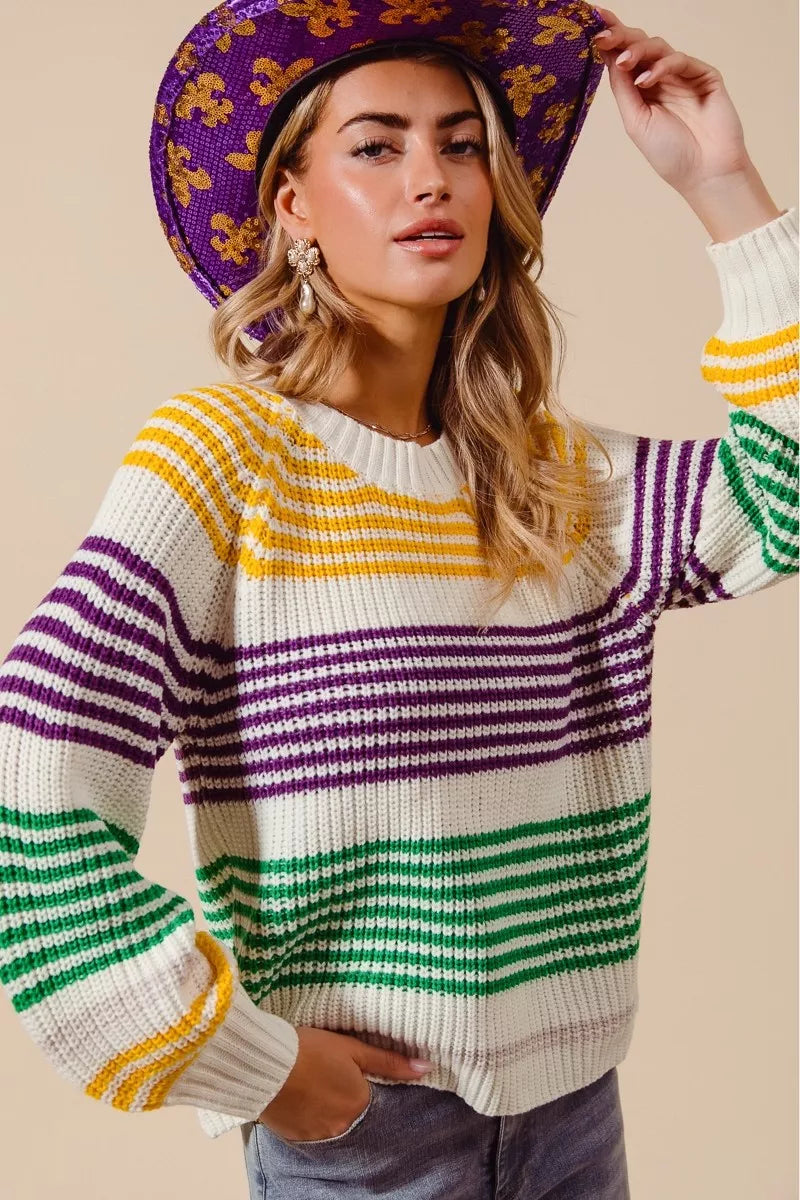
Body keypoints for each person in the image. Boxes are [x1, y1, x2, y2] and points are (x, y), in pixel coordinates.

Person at [0, 2, 796, 1197]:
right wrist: (248, 1064)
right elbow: (35, 769)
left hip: (574, 1123)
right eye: (375, 146)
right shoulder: (222, 460)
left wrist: (721, 186)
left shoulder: (550, 479)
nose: (430, 178)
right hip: (366, 1145)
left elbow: (781, 500)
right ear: (293, 205)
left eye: (460, 145)